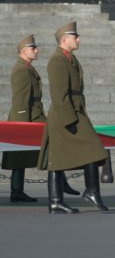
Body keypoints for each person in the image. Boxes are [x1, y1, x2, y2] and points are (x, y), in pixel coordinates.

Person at [38, 22, 108, 214]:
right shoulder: (57, 60)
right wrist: (69, 119)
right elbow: (58, 94)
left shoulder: (70, 59)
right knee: (93, 148)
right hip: (65, 114)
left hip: (74, 110)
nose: (78, 39)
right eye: (75, 37)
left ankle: (56, 201)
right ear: (64, 40)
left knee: (58, 158)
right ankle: (90, 191)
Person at [3, 35, 80, 203]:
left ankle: (18, 191)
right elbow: (20, 100)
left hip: (33, 114)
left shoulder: (26, 67)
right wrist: (23, 125)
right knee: (49, 148)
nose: (37, 50)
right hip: (27, 117)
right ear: (23, 51)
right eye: (33, 48)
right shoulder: (21, 69)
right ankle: (59, 183)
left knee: (23, 156)